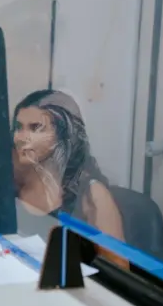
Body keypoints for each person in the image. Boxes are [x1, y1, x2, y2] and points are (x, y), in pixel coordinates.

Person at [11, 89, 126, 266]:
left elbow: (118, 269)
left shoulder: (93, 194)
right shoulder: (13, 179)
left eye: (35, 128)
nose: (21, 138)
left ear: (64, 135)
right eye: (18, 127)